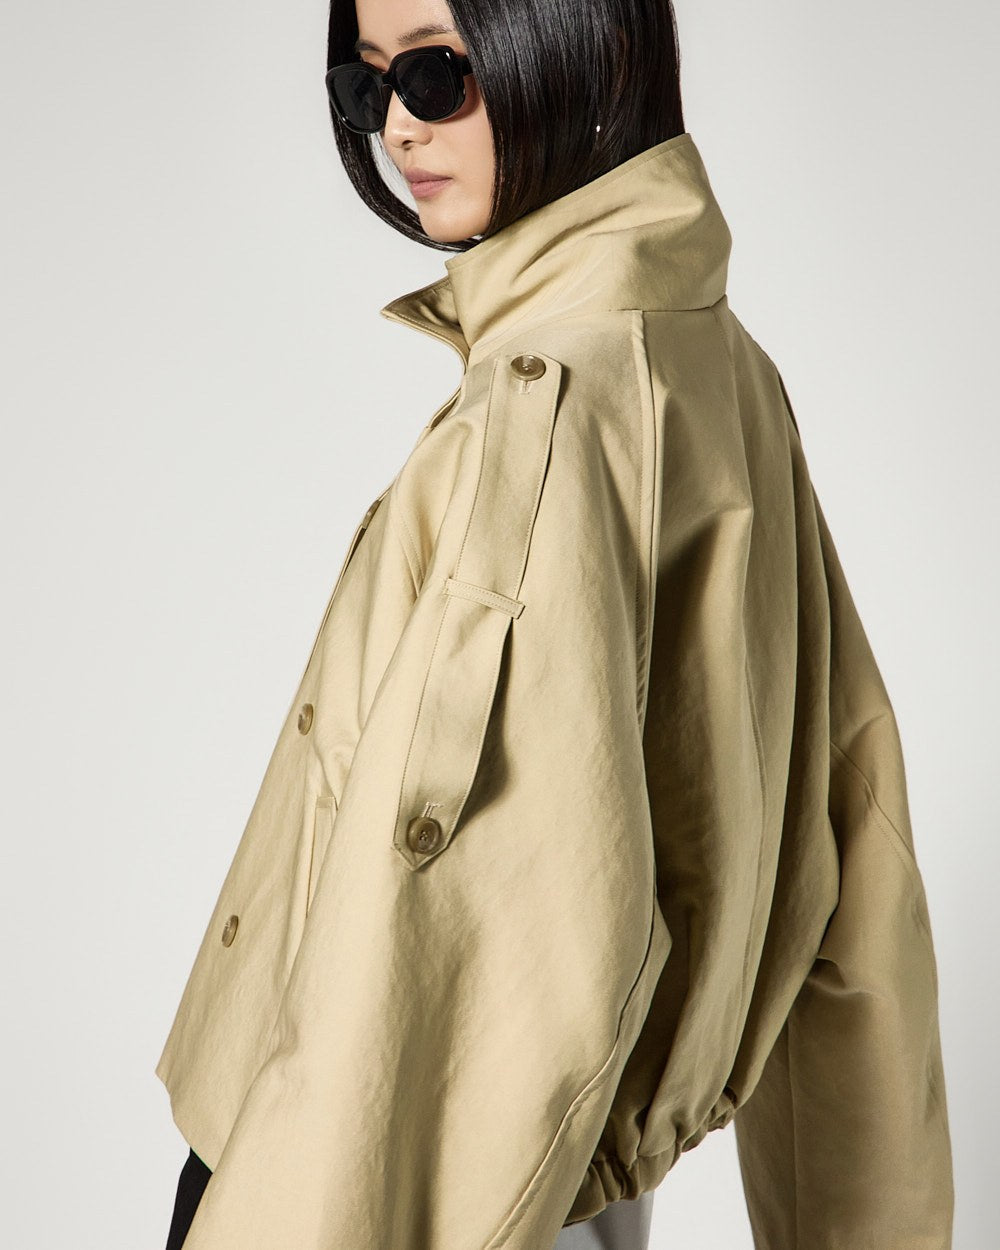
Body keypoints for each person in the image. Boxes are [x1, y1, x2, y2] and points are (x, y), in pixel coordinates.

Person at [158, 2, 954, 1247]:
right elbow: (851, 820)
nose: (399, 129)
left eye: (437, 73)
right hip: (558, 1182)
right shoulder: (716, 364)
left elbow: (440, 919)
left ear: (588, 45)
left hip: (375, 1179)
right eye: (367, 88)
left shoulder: (543, 415)